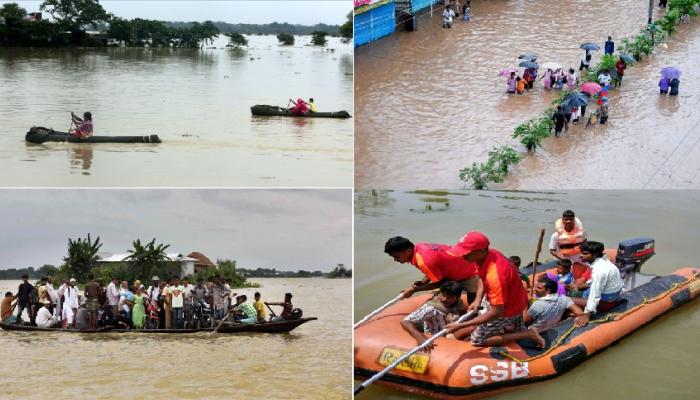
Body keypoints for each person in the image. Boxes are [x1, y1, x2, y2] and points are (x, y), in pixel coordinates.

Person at [445, 232, 545, 348]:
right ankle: (514, 329)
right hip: (513, 298)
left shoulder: (495, 275)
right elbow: (482, 277)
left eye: (467, 252)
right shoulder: (490, 254)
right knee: (507, 323)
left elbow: (497, 312)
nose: (463, 256)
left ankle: (528, 333)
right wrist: (477, 299)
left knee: (477, 340)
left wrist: (461, 325)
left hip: (507, 308)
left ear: (481, 251)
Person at [384, 236, 481, 306]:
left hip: (469, 271)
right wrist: (423, 281)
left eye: (397, 257)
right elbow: (435, 268)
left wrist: (413, 290)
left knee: (472, 301)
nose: (396, 260)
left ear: (408, 251)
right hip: (455, 269)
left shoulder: (423, 260)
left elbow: (439, 283)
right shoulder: (418, 247)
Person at [401, 281, 468, 350]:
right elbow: (405, 321)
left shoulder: (458, 303)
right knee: (470, 327)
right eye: (443, 295)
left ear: (457, 297)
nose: (444, 299)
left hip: (451, 331)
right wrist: (420, 337)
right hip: (439, 337)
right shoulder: (431, 308)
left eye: (449, 297)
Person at [573, 241, 624, 327]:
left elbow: (595, 295)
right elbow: (599, 282)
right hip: (613, 297)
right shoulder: (605, 262)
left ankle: (578, 312)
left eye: (585, 253)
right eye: (581, 253)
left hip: (605, 303)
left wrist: (587, 315)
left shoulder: (599, 271)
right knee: (576, 291)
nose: (580, 255)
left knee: (566, 299)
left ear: (595, 255)